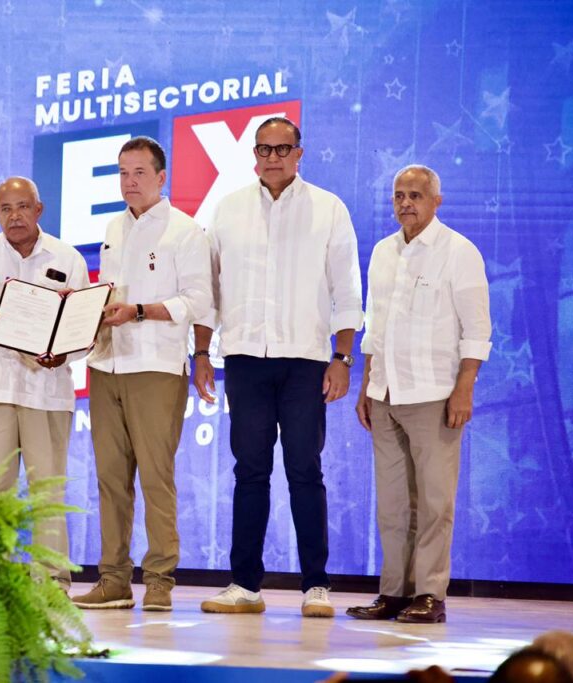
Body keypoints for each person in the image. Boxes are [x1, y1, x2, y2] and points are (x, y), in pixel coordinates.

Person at [195, 117, 363, 618]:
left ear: (299, 153)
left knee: (304, 470)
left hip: (306, 360)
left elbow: (347, 290)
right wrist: (201, 353)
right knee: (250, 471)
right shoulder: (228, 209)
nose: (272, 157)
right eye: (264, 149)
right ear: (254, 154)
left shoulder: (329, 209)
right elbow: (209, 291)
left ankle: (316, 586)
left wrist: (342, 357)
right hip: (244, 358)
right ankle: (245, 585)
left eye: (282, 148)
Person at [69, 136, 213, 612]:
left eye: (139, 173)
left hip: (156, 366)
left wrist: (139, 311)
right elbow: (110, 295)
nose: (129, 182)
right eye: (123, 173)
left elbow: (199, 300)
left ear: (161, 177)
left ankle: (159, 580)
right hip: (106, 363)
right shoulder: (113, 227)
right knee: (111, 479)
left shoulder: (185, 231)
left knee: (155, 477)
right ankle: (113, 578)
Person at [346, 165, 491, 624]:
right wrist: (367, 385)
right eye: (399, 195)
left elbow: (477, 330)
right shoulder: (383, 252)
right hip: (385, 392)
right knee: (392, 505)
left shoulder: (458, 252)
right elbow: (374, 326)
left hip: (434, 394)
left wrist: (464, 388)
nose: (405, 203)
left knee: (434, 501)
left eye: (415, 195)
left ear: (436, 201)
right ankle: (394, 593)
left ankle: (430, 594)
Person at [0, 176, 90, 590]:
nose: (15, 216)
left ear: (38, 210)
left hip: (48, 391)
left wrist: (64, 354)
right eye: (6, 209)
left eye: (23, 206)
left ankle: (52, 581)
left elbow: (84, 326)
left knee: (48, 494)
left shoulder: (67, 257)